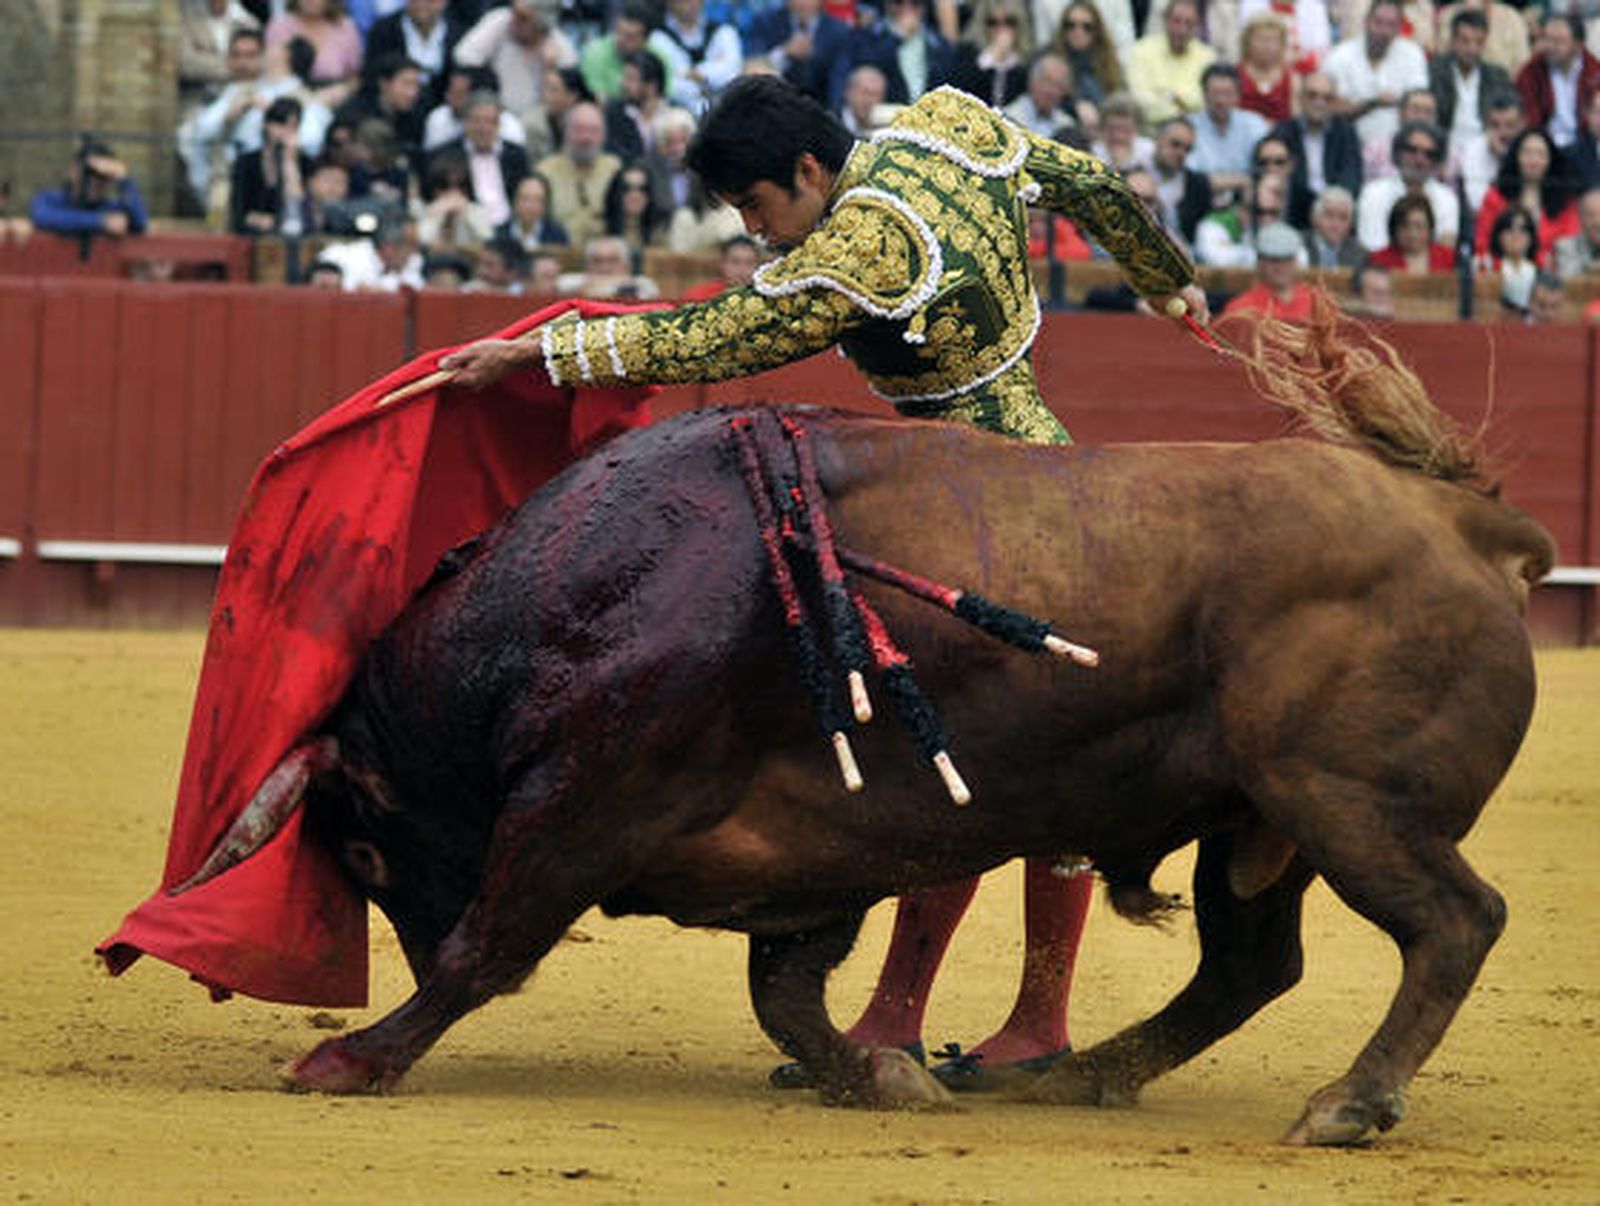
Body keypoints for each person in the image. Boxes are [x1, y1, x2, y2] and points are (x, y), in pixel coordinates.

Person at [439, 76, 1203, 1094]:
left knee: (950, 764)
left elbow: (709, 338)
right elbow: (1091, 180)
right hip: (1049, 476)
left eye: (759, 207)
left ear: (808, 170)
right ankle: (1014, 1016)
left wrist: (543, 350)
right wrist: (1168, 279)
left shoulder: (859, 249)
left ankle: (922, 1016)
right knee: (1016, 765)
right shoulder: (948, 122)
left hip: (970, 517)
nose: (759, 234)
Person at [452, 0, 579, 138]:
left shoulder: (562, 49)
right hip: (495, 114)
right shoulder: (501, 21)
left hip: (536, 128)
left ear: (542, 23)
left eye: (523, 18)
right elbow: (463, 56)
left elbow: (562, 102)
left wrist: (549, 69)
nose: (514, 21)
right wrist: (489, 80)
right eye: (514, 13)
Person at [1321, 0, 1428, 149]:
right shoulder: (1340, 55)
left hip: (1399, 149)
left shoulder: (1412, 54)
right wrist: (1373, 103)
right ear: (1366, 22)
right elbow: (1330, 109)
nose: (1384, 31)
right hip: (1346, 146)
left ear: (1399, 28)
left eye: (1391, 25)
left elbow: (1418, 106)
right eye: (1378, 22)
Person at [1472, 127, 1579, 266]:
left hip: (1551, 280)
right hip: (1501, 275)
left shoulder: (1565, 203)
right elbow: (1482, 244)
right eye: (1527, 153)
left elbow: (1569, 246)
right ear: (1516, 157)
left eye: (1541, 154)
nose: (1534, 161)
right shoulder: (1494, 198)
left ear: (1551, 160)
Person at [1272, 72, 1363, 225]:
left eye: (1327, 98)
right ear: (1300, 98)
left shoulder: (1346, 132)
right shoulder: (1283, 132)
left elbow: (1351, 175)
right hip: (1297, 213)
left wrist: (1331, 204)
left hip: (1335, 210)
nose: (1319, 103)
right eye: (1312, 96)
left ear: (1335, 103)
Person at [1356, 120, 1458, 252]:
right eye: (1412, 150)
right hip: (1381, 268)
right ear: (1398, 153)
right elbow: (1372, 245)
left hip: (1431, 271)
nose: (1419, 160)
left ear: (1437, 160)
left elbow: (1445, 250)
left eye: (1429, 154)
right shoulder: (1374, 192)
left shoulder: (1446, 197)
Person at [1430, 9, 1512, 168]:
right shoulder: (1434, 72)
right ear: (1453, 41)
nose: (1472, 49)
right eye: (1465, 41)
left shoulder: (1498, 76)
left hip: (1485, 149)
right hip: (1445, 147)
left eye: (1478, 42)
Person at [534, 101, 622, 247]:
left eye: (594, 131)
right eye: (579, 130)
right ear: (566, 132)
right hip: (560, 256)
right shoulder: (545, 172)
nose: (586, 138)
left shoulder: (615, 170)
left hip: (605, 260)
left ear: (603, 135)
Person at [30, 139, 150, 240]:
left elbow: (140, 224)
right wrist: (99, 222)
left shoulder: (113, 207)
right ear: (74, 171)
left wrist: (124, 180)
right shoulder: (49, 199)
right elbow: (41, 216)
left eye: (104, 176)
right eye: (91, 174)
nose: (97, 182)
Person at [1515, 14, 1600, 152]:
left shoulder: (1595, 71)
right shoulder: (1531, 71)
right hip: (1543, 148)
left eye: (1559, 41)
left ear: (1578, 45)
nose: (1550, 46)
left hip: (1585, 146)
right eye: (1547, 39)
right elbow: (1527, 116)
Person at [230, 96, 314, 234]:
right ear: (267, 124)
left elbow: (299, 208)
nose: (284, 132)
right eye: (280, 124)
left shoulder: (305, 163)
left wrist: (289, 162)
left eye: (292, 127)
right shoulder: (246, 163)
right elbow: (238, 210)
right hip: (251, 235)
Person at [847, 0, 957, 105]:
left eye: (915, 2)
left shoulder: (937, 43)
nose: (906, 8)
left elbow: (947, 81)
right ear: (887, 3)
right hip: (885, 116)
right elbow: (867, 70)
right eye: (898, 1)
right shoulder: (867, 37)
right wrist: (896, 37)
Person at [747, 0, 855, 107]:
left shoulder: (837, 31)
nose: (802, 2)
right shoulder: (765, 22)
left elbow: (839, 78)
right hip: (773, 103)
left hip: (820, 106)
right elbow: (754, 64)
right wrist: (784, 52)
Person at [1126, 0, 1215, 127]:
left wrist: (1172, 96)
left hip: (1196, 128)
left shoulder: (1207, 56)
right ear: (1165, 21)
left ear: (1197, 26)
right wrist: (1181, 108)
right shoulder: (1141, 50)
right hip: (1151, 126)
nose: (1182, 29)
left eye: (1189, 24)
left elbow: (1206, 100)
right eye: (1176, 21)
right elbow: (1140, 98)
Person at [1188, 63, 1270, 199]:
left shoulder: (1255, 123)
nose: (1221, 100)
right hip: (1201, 199)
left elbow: (1265, 170)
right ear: (1203, 94)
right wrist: (1243, 180)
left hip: (1247, 199)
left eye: (1228, 93)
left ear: (1238, 95)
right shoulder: (1189, 126)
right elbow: (1190, 178)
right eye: (1215, 93)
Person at [649, 0, 744, 116]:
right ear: (669, 2)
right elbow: (670, 85)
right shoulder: (657, 38)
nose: (689, 2)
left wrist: (697, 74)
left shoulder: (725, 33)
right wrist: (712, 73)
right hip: (677, 113)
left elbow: (732, 73)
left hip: (724, 110)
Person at [362, 0, 464, 104]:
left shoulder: (458, 33)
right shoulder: (384, 29)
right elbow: (372, 74)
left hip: (442, 105)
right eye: (415, 0)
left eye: (430, 1)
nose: (421, 5)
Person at [580, 3, 671, 104]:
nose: (621, 40)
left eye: (630, 37)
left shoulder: (658, 58)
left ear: (646, 40)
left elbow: (664, 98)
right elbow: (598, 100)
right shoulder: (595, 53)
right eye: (619, 32)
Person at [1222, 222, 1315, 320]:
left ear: (1296, 260)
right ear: (1259, 261)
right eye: (1273, 260)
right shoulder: (1240, 309)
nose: (1280, 266)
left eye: (1287, 259)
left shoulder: (1316, 304)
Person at [1148, 116, 1212, 250]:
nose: (1181, 153)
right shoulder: (1135, 173)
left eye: (1187, 149)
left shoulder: (1197, 186)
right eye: (1175, 144)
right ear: (1158, 139)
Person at [1048, 0, 1124, 110]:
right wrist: (1075, 107)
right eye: (1071, 25)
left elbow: (1118, 100)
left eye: (1087, 27)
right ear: (1063, 28)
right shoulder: (1050, 59)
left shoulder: (1109, 64)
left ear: (1097, 31)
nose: (1078, 32)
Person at [1367, 192, 1455, 273]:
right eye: (1404, 226)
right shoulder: (1378, 260)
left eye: (1419, 226)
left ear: (1430, 227)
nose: (1412, 234)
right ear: (1394, 229)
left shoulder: (1450, 259)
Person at [1003, 53, 1080, 139]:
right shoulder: (1008, 118)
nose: (1052, 91)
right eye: (1047, 81)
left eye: (1059, 85)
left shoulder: (1067, 125)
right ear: (1032, 81)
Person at [1236, 11, 1291, 125]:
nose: (1267, 46)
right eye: (1261, 39)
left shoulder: (1292, 79)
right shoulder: (1235, 74)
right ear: (1247, 42)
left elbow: (1295, 121)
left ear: (1282, 45)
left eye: (1273, 40)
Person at [1482, 205, 1539, 311]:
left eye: (1523, 229)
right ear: (1498, 236)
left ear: (1531, 237)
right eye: (1509, 229)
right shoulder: (1487, 266)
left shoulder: (1538, 272)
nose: (1516, 235)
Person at [497, 171, 569, 250]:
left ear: (545, 206)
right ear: (515, 201)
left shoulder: (557, 236)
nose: (529, 206)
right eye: (525, 199)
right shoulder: (500, 234)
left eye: (537, 200)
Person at [681, 232, 762, 299]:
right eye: (735, 262)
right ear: (722, 264)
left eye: (749, 263)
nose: (742, 270)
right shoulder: (699, 296)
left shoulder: (764, 298)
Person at [1303, 185, 1365, 268]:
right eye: (1329, 216)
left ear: (1351, 224)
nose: (1336, 225)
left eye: (1343, 218)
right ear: (1315, 218)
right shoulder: (1299, 245)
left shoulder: (1359, 254)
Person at [1554, 185, 1600, 276]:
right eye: (1591, 215)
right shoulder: (1565, 247)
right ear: (1580, 218)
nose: (1598, 222)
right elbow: (1569, 277)